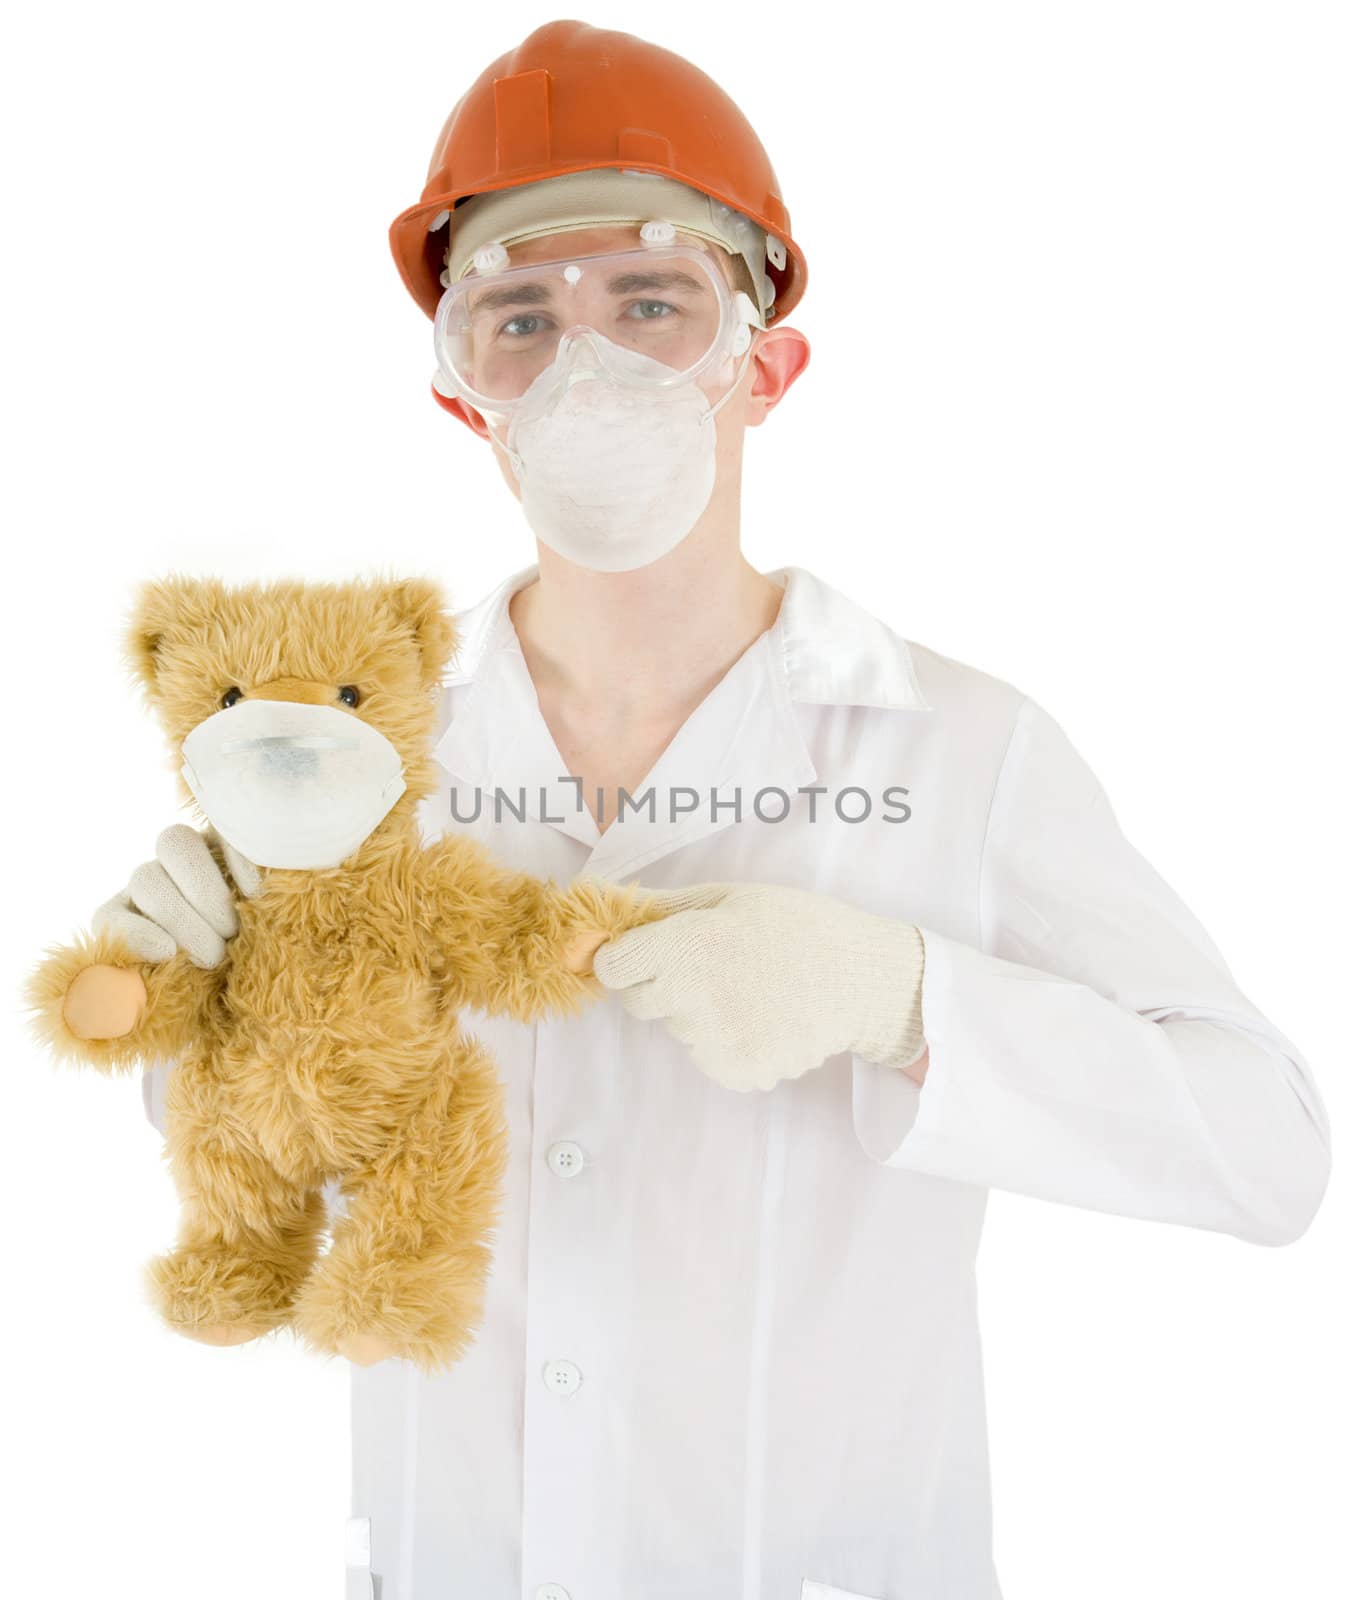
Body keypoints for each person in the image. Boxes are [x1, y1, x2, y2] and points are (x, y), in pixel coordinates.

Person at [114, 21, 1330, 1600]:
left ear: (763, 362)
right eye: (518, 318)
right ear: (461, 395)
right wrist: (206, 1019)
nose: (586, 363)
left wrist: (902, 1001)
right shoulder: (348, 754)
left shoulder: (956, 745)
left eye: (649, 301)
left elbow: (1267, 1149)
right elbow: (281, 1156)